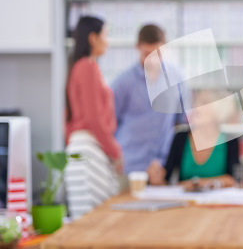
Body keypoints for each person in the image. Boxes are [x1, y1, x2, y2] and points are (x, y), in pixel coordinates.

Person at [64, 16, 122, 219]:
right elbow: (94, 119)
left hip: (86, 149)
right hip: (89, 150)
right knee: (95, 222)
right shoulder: (86, 67)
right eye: (105, 34)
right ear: (93, 38)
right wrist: (115, 151)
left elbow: (68, 119)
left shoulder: (80, 67)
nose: (108, 40)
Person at [112, 24, 189, 174]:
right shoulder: (123, 82)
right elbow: (110, 123)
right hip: (129, 164)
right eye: (147, 53)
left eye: (158, 53)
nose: (153, 60)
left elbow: (182, 121)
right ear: (138, 47)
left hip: (163, 166)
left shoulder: (177, 77)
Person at [147, 91, 238, 191]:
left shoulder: (230, 141)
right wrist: (157, 179)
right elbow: (165, 180)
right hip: (186, 204)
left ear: (218, 108)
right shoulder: (180, 137)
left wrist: (202, 183)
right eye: (194, 102)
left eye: (203, 103)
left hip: (218, 204)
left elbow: (234, 180)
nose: (194, 107)